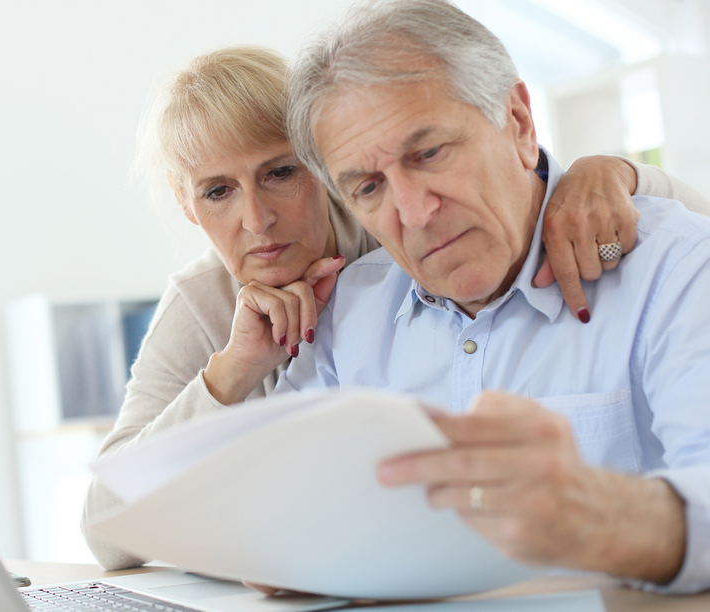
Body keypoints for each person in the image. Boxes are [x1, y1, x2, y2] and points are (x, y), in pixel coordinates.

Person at [82, 45, 710, 571]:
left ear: (324, 170)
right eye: (218, 191)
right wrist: (232, 370)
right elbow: (109, 527)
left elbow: (678, 237)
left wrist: (611, 173)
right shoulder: (206, 300)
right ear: (188, 205)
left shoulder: (402, 246)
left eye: (280, 172)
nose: (256, 218)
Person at [277, 0, 710, 593]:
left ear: (519, 122)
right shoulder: (348, 309)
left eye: (428, 153)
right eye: (369, 187)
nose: (414, 213)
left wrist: (600, 515)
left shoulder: (678, 269)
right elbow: (276, 499)